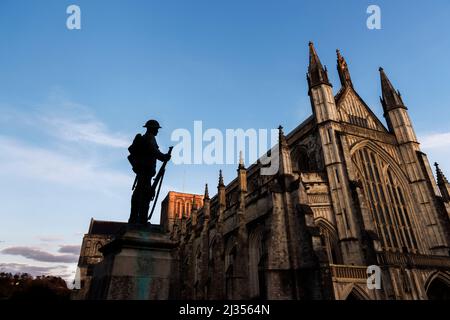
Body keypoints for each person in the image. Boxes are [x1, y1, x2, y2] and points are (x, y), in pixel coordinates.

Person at [127, 119, 171, 225]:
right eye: (156, 129)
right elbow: (153, 151)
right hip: (145, 171)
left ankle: (136, 218)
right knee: (144, 196)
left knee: (140, 194)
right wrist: (164, 157)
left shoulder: (146, 138)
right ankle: (141, 220)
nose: (157, 131)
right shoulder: (149, 138)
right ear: (152, 129)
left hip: (144, 172)